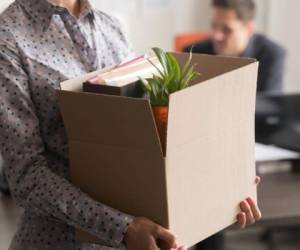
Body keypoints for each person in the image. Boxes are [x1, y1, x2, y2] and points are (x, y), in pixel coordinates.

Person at [0, 0, 261, 249]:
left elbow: (145, 143)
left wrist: (221, 186)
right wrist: (124, 228)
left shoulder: (112, 27)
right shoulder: (9, 38)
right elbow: (27, 177)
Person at [184, 0, 286, 94]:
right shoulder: (193, 54)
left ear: (249, 29)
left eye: (227, 30)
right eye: (213, 26)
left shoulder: (272, 55)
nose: (216, 36)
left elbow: (270, 108)